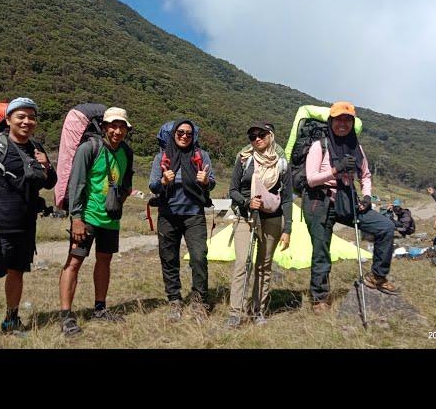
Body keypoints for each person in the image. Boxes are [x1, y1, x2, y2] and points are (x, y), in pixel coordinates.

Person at [0, 97, 57, 348]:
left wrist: (46, 166)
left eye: (31, 117)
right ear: (8, 119)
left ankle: (11, 319)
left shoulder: (36, 148)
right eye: (21, 116)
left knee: (17, 273)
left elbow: (49, 182)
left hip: (25, 225)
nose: (27, 121)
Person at [302, 101, 398, 314]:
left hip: (348, 200)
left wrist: (366, 196)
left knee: (385, 227)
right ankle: (319, 298)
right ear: (331, 121)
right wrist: (336, 170)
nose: (342, 124)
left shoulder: (357, 148)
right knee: (321, 250)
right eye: (338, 119)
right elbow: (311, 179)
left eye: (347, 120)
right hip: (320, 201)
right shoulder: (320, 146)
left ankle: (377, 277)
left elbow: (365, 176)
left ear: (352, 123)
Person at [59, 107, 134, 336]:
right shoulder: (89, 148)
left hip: (110, 219)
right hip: (88, 218)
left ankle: (100, 308)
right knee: (74, 262)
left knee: (104, 261)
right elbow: (77, 184)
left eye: (122, 126)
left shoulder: (127, 152)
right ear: (104, 127)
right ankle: (66, 315)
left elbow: (127, 181)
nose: (117, 131)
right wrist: (77, 219)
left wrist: (119, 198)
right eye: (113, 125)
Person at [148, 120, 216, 322]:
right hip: (168, 215)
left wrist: (206, 181)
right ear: (173, 134)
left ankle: (200, 302)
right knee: (169, 258)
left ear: (193, 135)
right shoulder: (162, 157)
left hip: (193, 214)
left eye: (189, 133)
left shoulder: (201, 156)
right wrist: (163, 182)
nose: (185, 136)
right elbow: (153, 185)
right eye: (180, 132)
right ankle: (174, 300)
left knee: (198, 257)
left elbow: (210, 183)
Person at [227, 121, 293, 328]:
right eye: (252, 136)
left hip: (272, 219)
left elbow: (288, 198)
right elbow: (233, 190)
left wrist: (288, 228)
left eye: (261, 134)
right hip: (245, 217)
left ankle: (258, 311)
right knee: (242, 265)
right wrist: (247, 202)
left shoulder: (282, 163)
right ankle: (235, 314)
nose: (256, 139)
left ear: (270, 135)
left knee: (264, 267)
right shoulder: (244, 159)